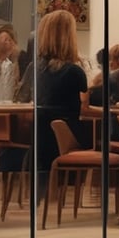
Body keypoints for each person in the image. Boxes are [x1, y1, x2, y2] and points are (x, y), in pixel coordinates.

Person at [35, 10, 91, 172]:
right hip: (65, 135)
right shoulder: (74, 71)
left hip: (40, 135)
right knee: (106, 134)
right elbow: (84, 107)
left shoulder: (35, 69)